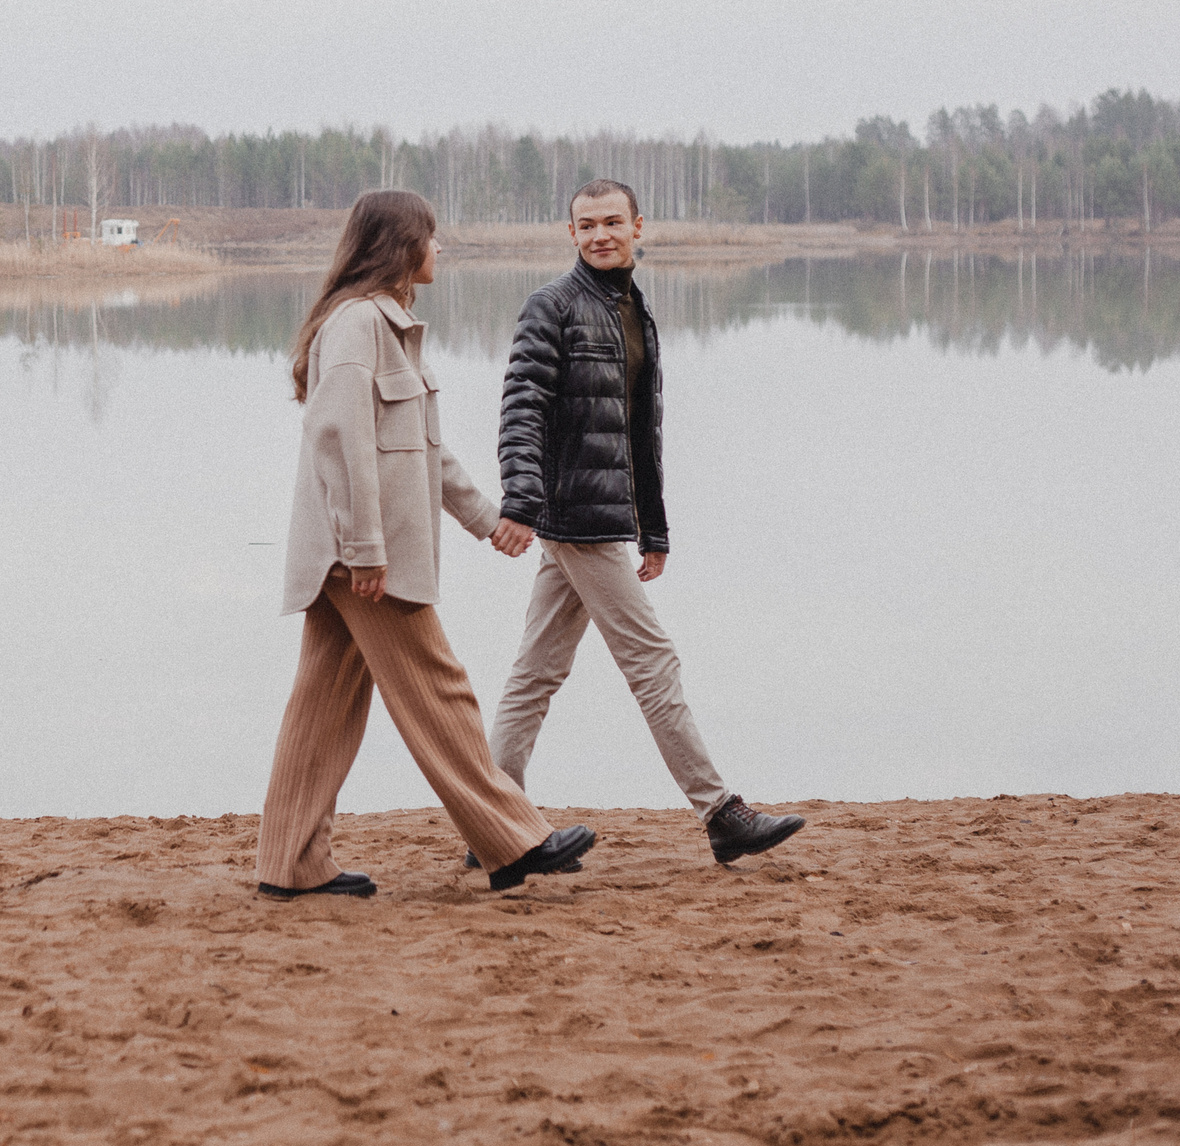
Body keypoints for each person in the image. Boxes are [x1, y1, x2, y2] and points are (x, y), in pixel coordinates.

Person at [257, 189, 597, 899]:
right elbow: (340, 443)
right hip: (361, 560)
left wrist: (488, 518)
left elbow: (425, 454)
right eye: (431, 237)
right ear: (400, 247)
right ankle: (513, 839)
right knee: (441, 691)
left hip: (355, 556)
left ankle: (289, 866)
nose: (440, 249)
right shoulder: (356, 328)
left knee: (322, 708)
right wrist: (366, 549)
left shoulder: (388, 326)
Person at [484, 179, 804, 866]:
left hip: (601, 516)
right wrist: (521, 500)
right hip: (575, 517)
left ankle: (493, 823)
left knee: (535, 672)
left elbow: (638, 431)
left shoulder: (631, 308)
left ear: (638, 226)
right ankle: (721, 812)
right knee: (653, 659)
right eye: (586, 224)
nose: (599, 234)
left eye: (611, 222)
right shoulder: (553, 306)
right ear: (570, 234)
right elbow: (521, 411)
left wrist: (653, 528)